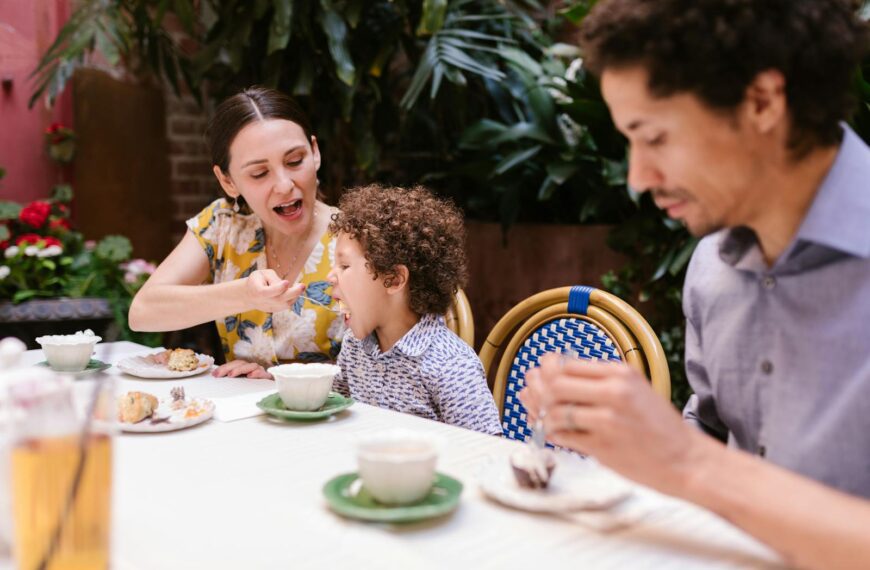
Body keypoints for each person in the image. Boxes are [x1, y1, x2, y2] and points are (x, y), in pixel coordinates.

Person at [519, 0, 870, 568]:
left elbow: (696, 462)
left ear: (761, 102)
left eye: (654, 137)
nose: (637, 177)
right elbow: (707, 436)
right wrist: (623, 443)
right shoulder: (713, 267)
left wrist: (685, 463)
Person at [129, 87, 342, 377]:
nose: (284, 184)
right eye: (259, 173)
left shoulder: (355, 237)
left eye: (294, 161)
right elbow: (142, 312)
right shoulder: (222, 226)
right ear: (228, 181)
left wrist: (279, 380)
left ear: (315, 153)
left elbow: (392, 370)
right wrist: (245, 295)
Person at [327, 184, 502, 435]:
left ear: (395, 280)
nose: (330, 276)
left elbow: (486, 451)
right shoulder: (355, 347)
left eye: (344, 265)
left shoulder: (450, 364)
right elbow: (335, 414)